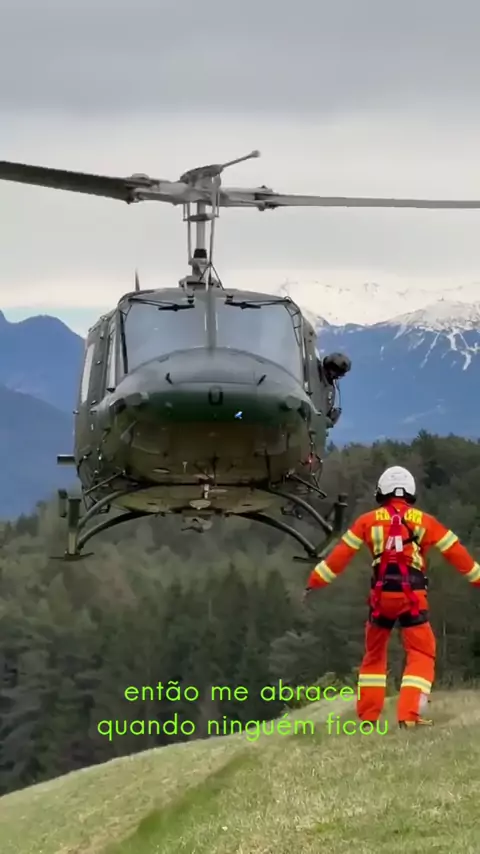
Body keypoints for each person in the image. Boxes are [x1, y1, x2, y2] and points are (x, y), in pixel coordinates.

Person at [303, 465, 480, 728]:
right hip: (412, 598)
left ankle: (368, 717)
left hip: (380, 599)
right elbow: (457, 554)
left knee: (374, 655)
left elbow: (339, 557)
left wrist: (314, 582)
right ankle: (409, 715)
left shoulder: (366, 521)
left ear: (382, 492)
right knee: (421, 653)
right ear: (410, 492)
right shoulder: (426, 522)